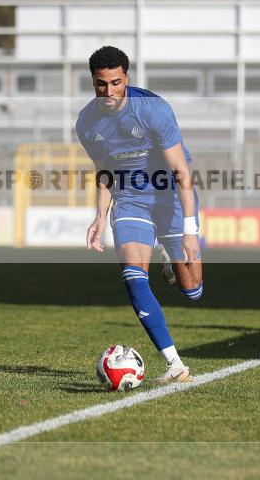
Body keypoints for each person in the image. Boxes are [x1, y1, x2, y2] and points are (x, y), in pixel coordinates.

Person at [76, 46, 203, 384]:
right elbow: (104, 173)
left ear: (127, 79)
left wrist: (189, 229)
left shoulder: (154, 110)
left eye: (115, 83)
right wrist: (101, 216)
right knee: (132, 276)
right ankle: (175, 364)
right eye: (101, 84)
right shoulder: (87, 122)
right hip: (130, 198)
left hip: (170, 197)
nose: (109, 92)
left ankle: (171, 259)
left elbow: (181, 171)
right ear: (92, 82)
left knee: (193, 291)